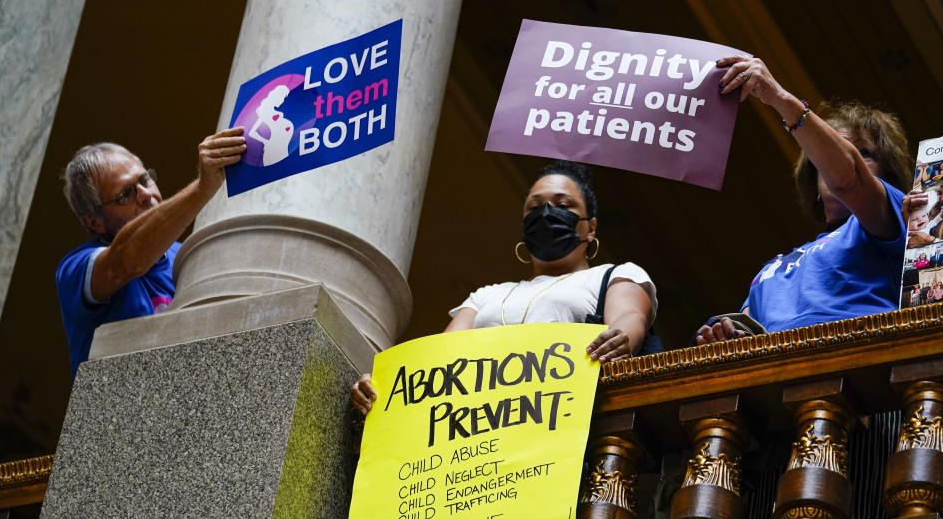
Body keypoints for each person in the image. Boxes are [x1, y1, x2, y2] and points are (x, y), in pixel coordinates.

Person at [351, 160, 657, 415]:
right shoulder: (486, 295)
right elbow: (436, 362)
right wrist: (385, 386)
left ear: (590, 227)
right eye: (534, 207)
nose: (547, 213)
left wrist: (623, 338)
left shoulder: (616, 274)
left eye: (563, 205)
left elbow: (630, 317)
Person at [696, 55, 913, 344]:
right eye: (824, 153)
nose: (836, 158)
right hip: (782, 373)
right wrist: (724, 337)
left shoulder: (893, 215)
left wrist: (780, 98)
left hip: (863, 362)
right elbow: (745, 333)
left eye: (863, 152)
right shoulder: (771, 269)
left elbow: (848, 179)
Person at [56, 128, 246, 376]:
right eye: (126, 194)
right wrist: (202, 188)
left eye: (145, 181)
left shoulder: (188, 255)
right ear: (95, 222)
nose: (146, 195)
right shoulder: (76, 268)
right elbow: (125, 261)